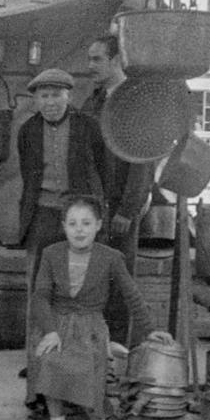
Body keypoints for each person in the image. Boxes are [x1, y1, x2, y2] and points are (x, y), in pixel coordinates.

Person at [30, 193, 171, 420]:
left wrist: (149, 330)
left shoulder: (110, 257)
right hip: (57, 324)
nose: (79, 230)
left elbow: (132, 295)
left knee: (90, 361)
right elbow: (40, 297)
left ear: (98, 225)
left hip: (90, 325)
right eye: (72, 224)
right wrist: (50, 331)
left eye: (86, 223)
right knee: (48, 357)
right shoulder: (51, 254)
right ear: (63, 227)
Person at [17, 67, 108, 415]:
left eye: (56, 95)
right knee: (39, 300)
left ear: (69, 96)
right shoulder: (27, 131)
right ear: (35, 99)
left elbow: (103, 171)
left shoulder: (88, 127)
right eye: (43, 96)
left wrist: (94, 217)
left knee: (78, 299)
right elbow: (28, 178)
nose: (50, 102)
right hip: (41, 217)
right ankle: (38, 391)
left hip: (78, 219)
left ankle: (79, 387)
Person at [81, 35, 153, 345]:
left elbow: (143, 160)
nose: (90, 66)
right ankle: (92, 351)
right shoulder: (94, 100)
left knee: (119, 279)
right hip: (93, 206)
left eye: (97, 59)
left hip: (120, 206)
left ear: (116, 60)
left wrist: (128, 208)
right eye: (89, 59)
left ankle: (119, 350)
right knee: (91, 277)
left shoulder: (135, 103)